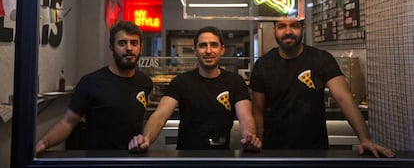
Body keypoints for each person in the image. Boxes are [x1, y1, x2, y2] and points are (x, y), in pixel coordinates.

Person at [249, 19, 395, 157]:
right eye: (282, 26)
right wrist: (260, 148)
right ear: (274, 30)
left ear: (303, 29)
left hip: (315, 151)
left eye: (294, 26)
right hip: (274, 152)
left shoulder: (322, 59)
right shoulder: (263, 65)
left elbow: (344, 98)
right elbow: (257, 111)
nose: (288, 31)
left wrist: (365, 139)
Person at [128, 26, 261, 152]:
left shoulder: (235, 82)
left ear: (222, 50)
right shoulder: (181, 81)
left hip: (221, 158)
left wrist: (250, 137)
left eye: (214, 45)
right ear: (195, 50)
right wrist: (146, 139)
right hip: (186, 158)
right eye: (203, 45)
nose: (208, 51)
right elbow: (160, 116)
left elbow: (246, 118)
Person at [36, 21, 153, 154]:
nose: (129, 48)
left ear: (140, 47)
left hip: (133, 159)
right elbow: (67, 122)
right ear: (111, 47)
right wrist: (44, 142)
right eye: (122, 43)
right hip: (98, 161)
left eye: (134, 43)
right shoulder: (90, 82)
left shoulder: (145, 82)